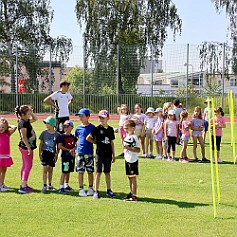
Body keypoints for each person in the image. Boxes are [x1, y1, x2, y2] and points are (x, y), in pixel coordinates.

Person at [86, 110, 116, 199]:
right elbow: (88, 138)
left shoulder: (110, 129)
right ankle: (96, 191)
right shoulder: (97, 129)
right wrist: (95, 142)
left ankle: (109, 190)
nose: (101, 119)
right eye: (100, 118)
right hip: (100, 153)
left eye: (103, 118)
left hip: (108, 154)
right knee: (98, 172)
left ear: (108, 118)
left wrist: (114, 155)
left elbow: (111, 143)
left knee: (107, 172)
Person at [15, 105, 38, 194]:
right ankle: (23, 187)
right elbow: (23, 137)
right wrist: (29, 148)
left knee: (25, 165)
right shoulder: (22, 123)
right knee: (28, 166)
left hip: (27, 147)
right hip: (26, 148)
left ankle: (23, 184)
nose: (30, 115)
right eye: (28, 113)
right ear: (23, 114)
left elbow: (35, 119)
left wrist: (31, 112)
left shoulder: (26, 121)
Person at [75, 108, 96, 197]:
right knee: (80, 171)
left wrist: (91, 141)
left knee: (90, 171)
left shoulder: (93, 128)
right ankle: (81, 188)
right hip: (80, 152)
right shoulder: (78, 128)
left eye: (82, 116)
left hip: (89, 152)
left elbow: (95, 140)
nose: (80, 118)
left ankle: (90, 188)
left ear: (88, 117)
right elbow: (76, 139)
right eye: (79, 116)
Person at [39, 116, 60, 193]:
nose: (46, 125)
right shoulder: (44, 133)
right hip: (45, 152)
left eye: (48, 124)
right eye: (46, 124)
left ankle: (50, 184)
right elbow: (41, 144)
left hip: (52, 153)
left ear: (52, 124)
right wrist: (40, 154)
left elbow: (58, 146)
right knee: (45, 168)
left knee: (50, 169)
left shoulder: (57, 135)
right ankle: (44, 185)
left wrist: (57, 154)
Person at [58, 120, 77, 194]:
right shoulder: (62, 136)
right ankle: (61, 187)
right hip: (65, 156)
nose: (65, 128)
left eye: (67, 126)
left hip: (71, 156)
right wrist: (68, 150)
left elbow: (77, 144)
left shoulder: (73, 137)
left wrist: (73, 149)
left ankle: (66, 184)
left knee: (69, 171)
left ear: (71, 127)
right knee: (64, 171)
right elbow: (60, 146)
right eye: (64, 126)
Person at [123, 120, 140, 201]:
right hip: (128, 159)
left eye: (127, 128)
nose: (125, 130)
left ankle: (134, 195)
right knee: (129, 177)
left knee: (133, 177)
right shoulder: (128, 136)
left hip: (132, 160)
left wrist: (129, 148)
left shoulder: (134, 137)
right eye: (124, 128)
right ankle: (131, 192)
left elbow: (138, 149)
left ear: (133, 128)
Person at [0, 118, 17, 192]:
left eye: (3, 127)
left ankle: (2, 183)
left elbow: (14, 127)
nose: (1, 129)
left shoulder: (8, 134)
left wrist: (7, 125)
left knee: (4, 170)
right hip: (0, 156)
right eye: (0, 127)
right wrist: (3, 125)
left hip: (6, 155)